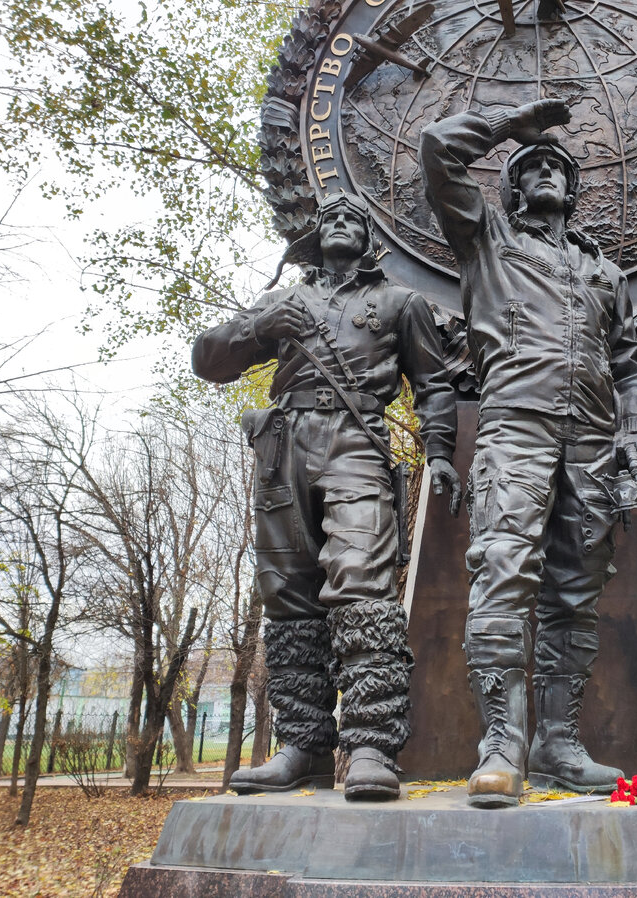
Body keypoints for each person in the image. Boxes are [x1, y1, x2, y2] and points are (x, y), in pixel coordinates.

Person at [420, 99, 637, 808]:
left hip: (592, 441)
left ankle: (559, 742)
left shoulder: (605, 274)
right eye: (535, 168)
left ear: (572, 187)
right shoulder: (487, 240)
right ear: (515, 188)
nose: (548, 172)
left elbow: (631, 363)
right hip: (515, 428)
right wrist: (513, 125)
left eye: (558, 166)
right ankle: (501, 743)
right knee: (502, 575)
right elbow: (437, 149)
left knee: (576, 593)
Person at [192, 192, 461, 800]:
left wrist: (439, 451)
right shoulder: (284, 301)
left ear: (370, 240)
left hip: (356, 439)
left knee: (362, 581)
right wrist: (261, 328)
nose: (341, 224)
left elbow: (434, 385)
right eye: (331, 219)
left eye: (354, 220)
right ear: (314, 238)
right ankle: (303, 744)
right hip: (284, 444)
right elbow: (206, 361)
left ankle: (370, 745)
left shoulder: (401, 301)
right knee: (286, 591)